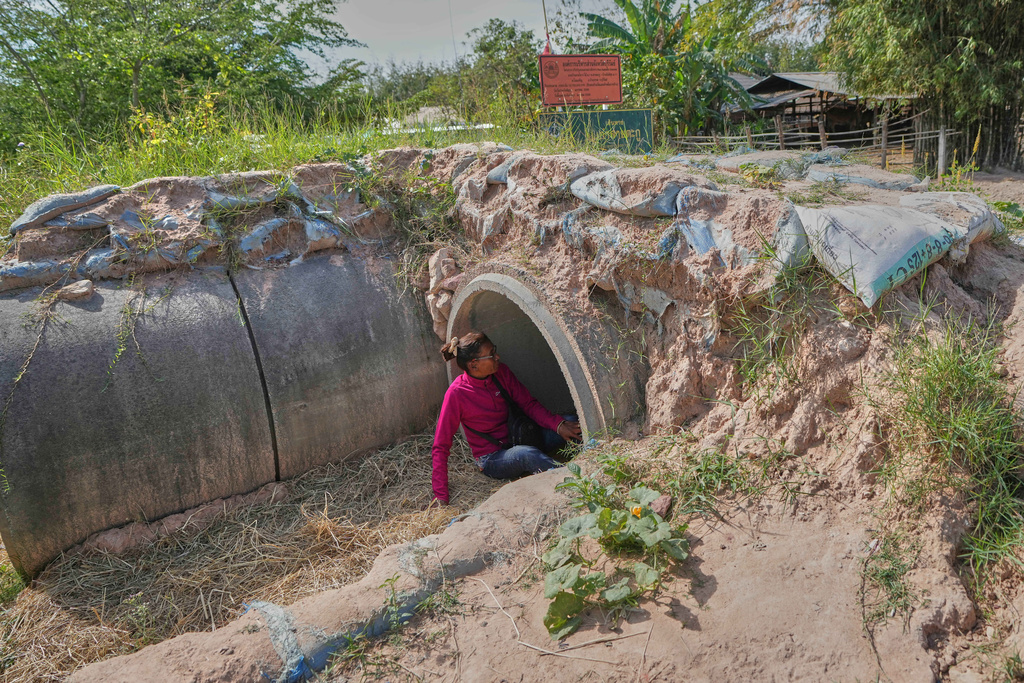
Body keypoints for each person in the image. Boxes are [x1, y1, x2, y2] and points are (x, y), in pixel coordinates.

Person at [430, 331, 582, 506]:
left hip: (521, 437)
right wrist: (440, 495)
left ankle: (590, 454)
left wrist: (558, 425)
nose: (497, 356)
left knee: (573, 422)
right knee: (527, 455)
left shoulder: (501, 372)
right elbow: (441, 446)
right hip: (493, 458)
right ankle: (573, 483)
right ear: (474, 365)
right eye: (491, 354)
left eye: (494, 350)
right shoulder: (457, 394)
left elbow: (529, 405)